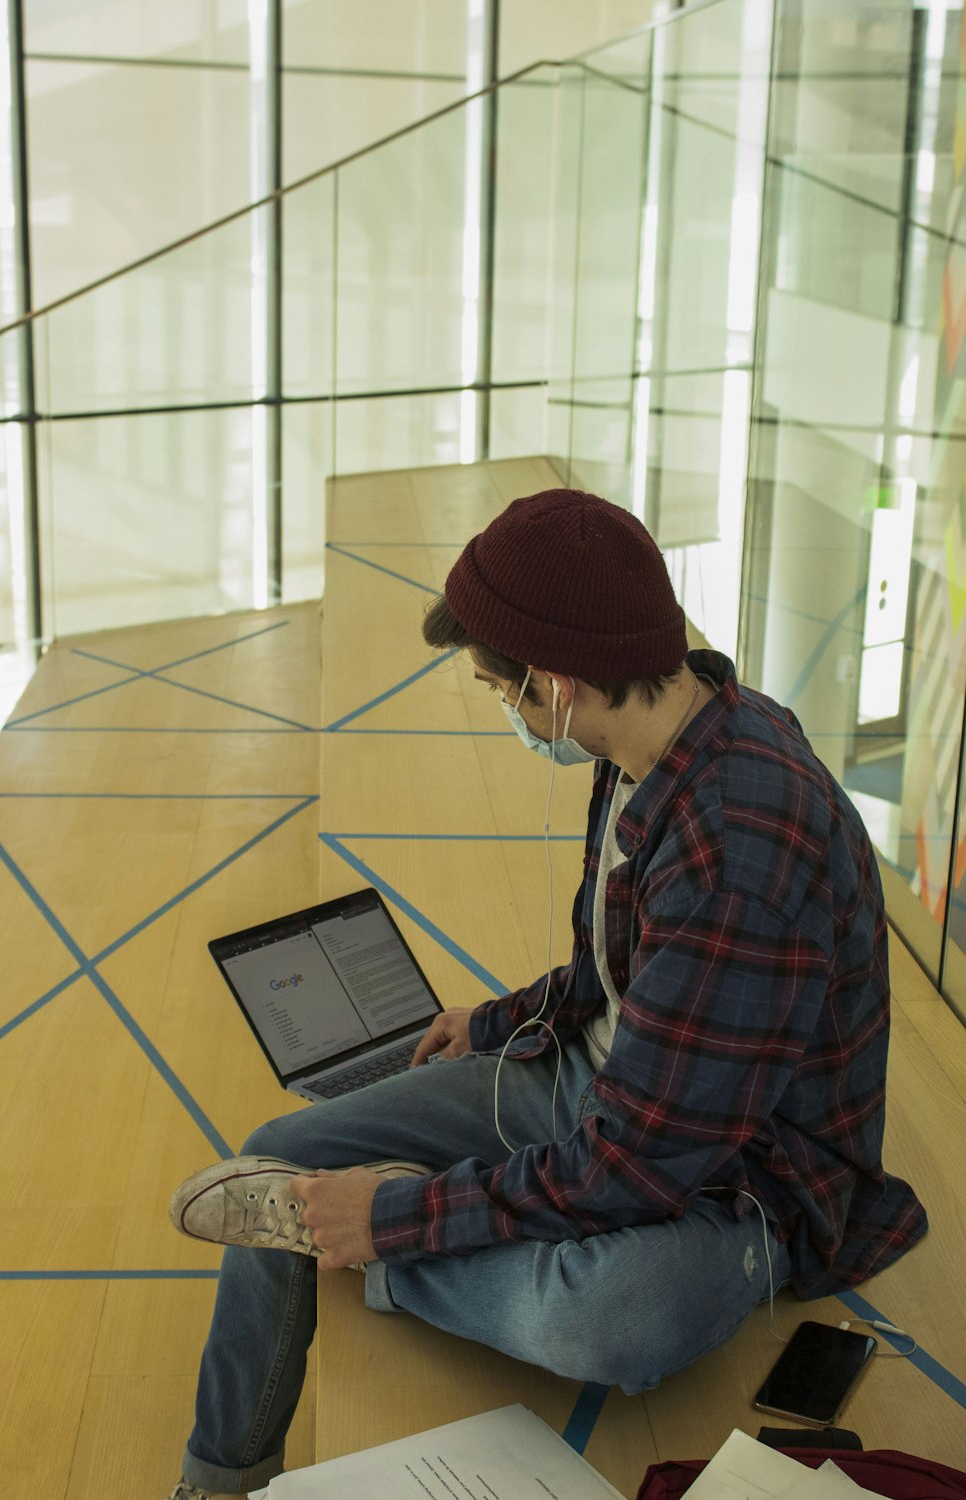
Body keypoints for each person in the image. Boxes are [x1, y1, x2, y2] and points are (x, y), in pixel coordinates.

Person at [165, 488, 927, 1500]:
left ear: (558, 686)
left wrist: (393, 1223)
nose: (505, 714)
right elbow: (624, 970)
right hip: (595, 1084)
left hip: (739, 1183)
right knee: (277, 1154)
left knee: (606, 1321)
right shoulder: (661, 732)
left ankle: (366, 1232)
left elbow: (638, 1166)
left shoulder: (736, 853)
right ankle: (222, 1476)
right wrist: (488, 1022)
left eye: (498, 690)